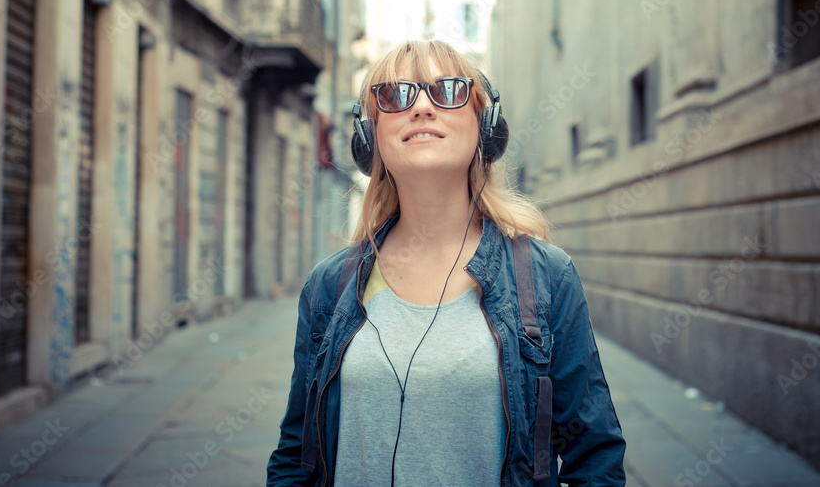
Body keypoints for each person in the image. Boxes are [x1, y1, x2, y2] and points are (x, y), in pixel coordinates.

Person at [267, 40, 626, 486]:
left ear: (485, 126)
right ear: (368, 137)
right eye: (396, 95)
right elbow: (294, 456)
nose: (421, 107)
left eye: (449, 90)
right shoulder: (328, 286)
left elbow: (595, 458)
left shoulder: (546, 277)